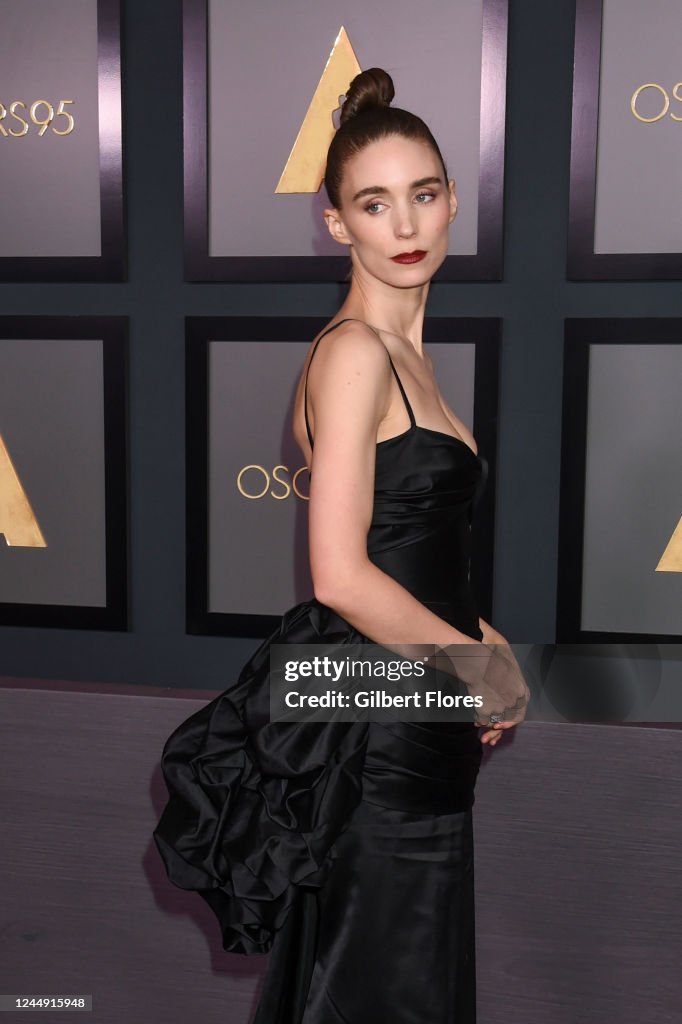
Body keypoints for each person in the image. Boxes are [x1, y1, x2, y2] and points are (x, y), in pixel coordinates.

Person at [153, 67, 528, 1024]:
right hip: (383, 723)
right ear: (337, 224)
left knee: (392, 977)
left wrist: (480, 640)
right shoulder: (356, 352)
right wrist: (478, 666)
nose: (405, 226)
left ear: (451, 203)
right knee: (383, 990)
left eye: (425, 195)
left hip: (412, 703)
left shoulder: (412, 360)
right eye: (375, 203)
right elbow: (341, 572)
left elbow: (416, 548)